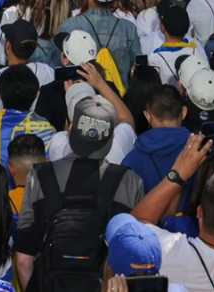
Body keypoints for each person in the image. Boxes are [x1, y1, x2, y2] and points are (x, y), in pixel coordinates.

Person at [13, 97, 145, 292]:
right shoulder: (130, 181)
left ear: (70, 129)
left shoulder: (40, 176)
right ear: (109, 139)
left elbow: (24, 259)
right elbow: (135, 253)